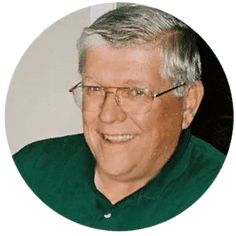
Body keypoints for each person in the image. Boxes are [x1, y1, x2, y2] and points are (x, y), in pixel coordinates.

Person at [13, 4, 225, 231]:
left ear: (188, 103)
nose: (107, 115)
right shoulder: (30, 169)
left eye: (135, 92)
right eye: (94, 89)